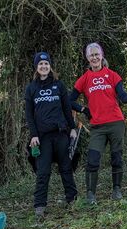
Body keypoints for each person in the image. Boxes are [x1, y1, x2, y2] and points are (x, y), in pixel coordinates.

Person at [70, 42, 127, 204]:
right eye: (91, 55)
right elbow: (69, 100)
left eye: (97, 54)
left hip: (116, 123)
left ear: (101, 56)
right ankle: (90, 194)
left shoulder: (113, 75)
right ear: (87, 58)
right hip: (98, 127)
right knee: (93, 160)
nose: (94, 58)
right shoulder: (84, 79)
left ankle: (117, 190)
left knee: (117, 158)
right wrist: (84, 110)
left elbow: (123, 97)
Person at [25, 51, 78, 218]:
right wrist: (33, 135)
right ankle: (40, 206)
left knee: (66, 168)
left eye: (46, 64)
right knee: (43, 171)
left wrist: (72, 128)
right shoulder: (31, 88)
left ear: (50, 66)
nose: (44, 66)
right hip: (43, 137)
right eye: (40, 64)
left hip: (61, 133)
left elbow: (66, 108)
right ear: (36, 67)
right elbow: (29, 115)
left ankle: (73, 200)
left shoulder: (59, 85)